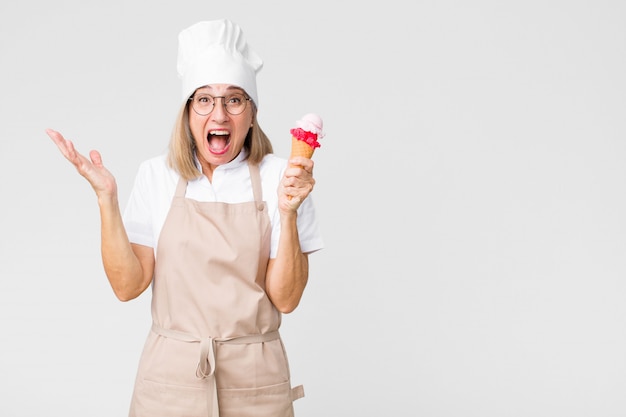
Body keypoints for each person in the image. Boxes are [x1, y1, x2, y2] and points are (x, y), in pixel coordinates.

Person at [46, 19, 323, 417]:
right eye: (205, 99)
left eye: (234, 99)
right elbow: (128, 286)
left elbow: (287, 298)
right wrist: (106, 199)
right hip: (170, 380)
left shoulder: (285, 178)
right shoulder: (156, 175)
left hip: (255, 378)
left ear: (252, 112)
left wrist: (289, 212)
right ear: (188, 111)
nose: (220, 114)